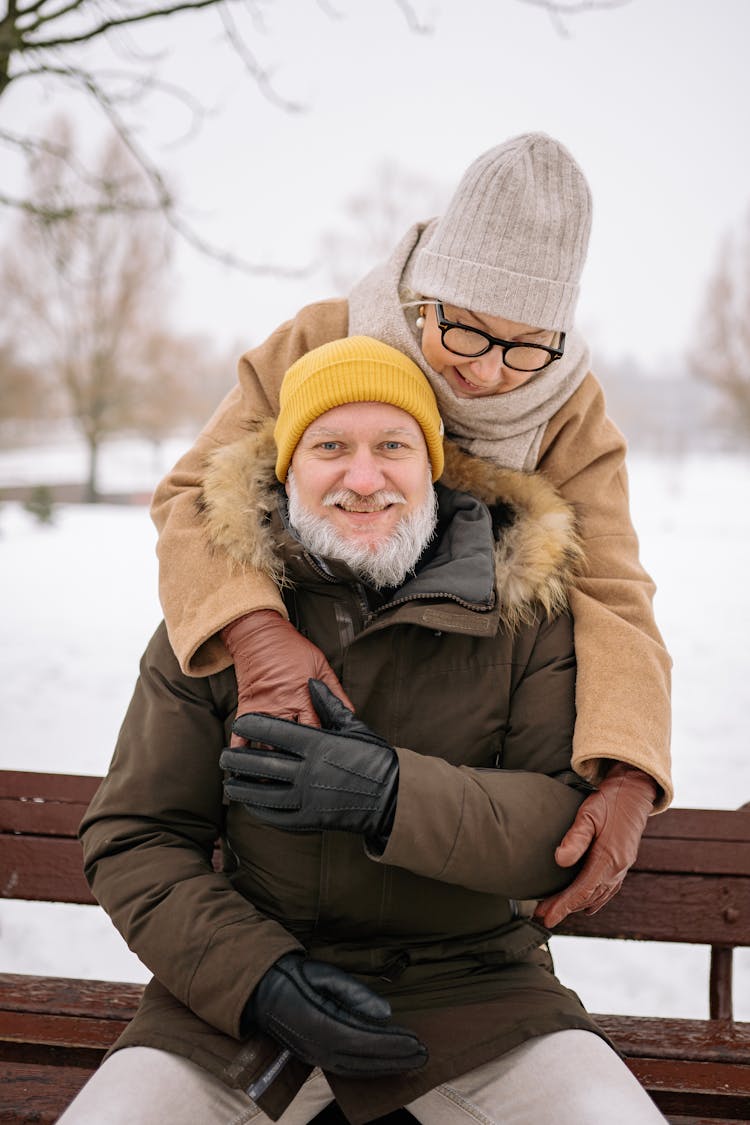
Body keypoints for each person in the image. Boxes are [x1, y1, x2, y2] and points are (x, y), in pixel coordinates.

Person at [62, 337, 666, 1125]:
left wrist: (391, 794)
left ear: (433, 465)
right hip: (229, 1014)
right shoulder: (219, 618)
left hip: (481, 997)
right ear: (287, 467)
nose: (364, 476)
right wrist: (258, 977)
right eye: (330, 447)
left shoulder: (526, 613)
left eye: (393, 446)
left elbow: (558, 823)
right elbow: (134, 834)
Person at [150, 131, 672, 929]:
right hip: (317, 645)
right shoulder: (321, 338)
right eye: (463, 328)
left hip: (467, 695)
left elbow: (613, 586)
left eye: (527, 344)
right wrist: (256, 634)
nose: (489, 370)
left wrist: (631, 768)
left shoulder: (569, 408)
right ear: (423, 295)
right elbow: (193, 493)